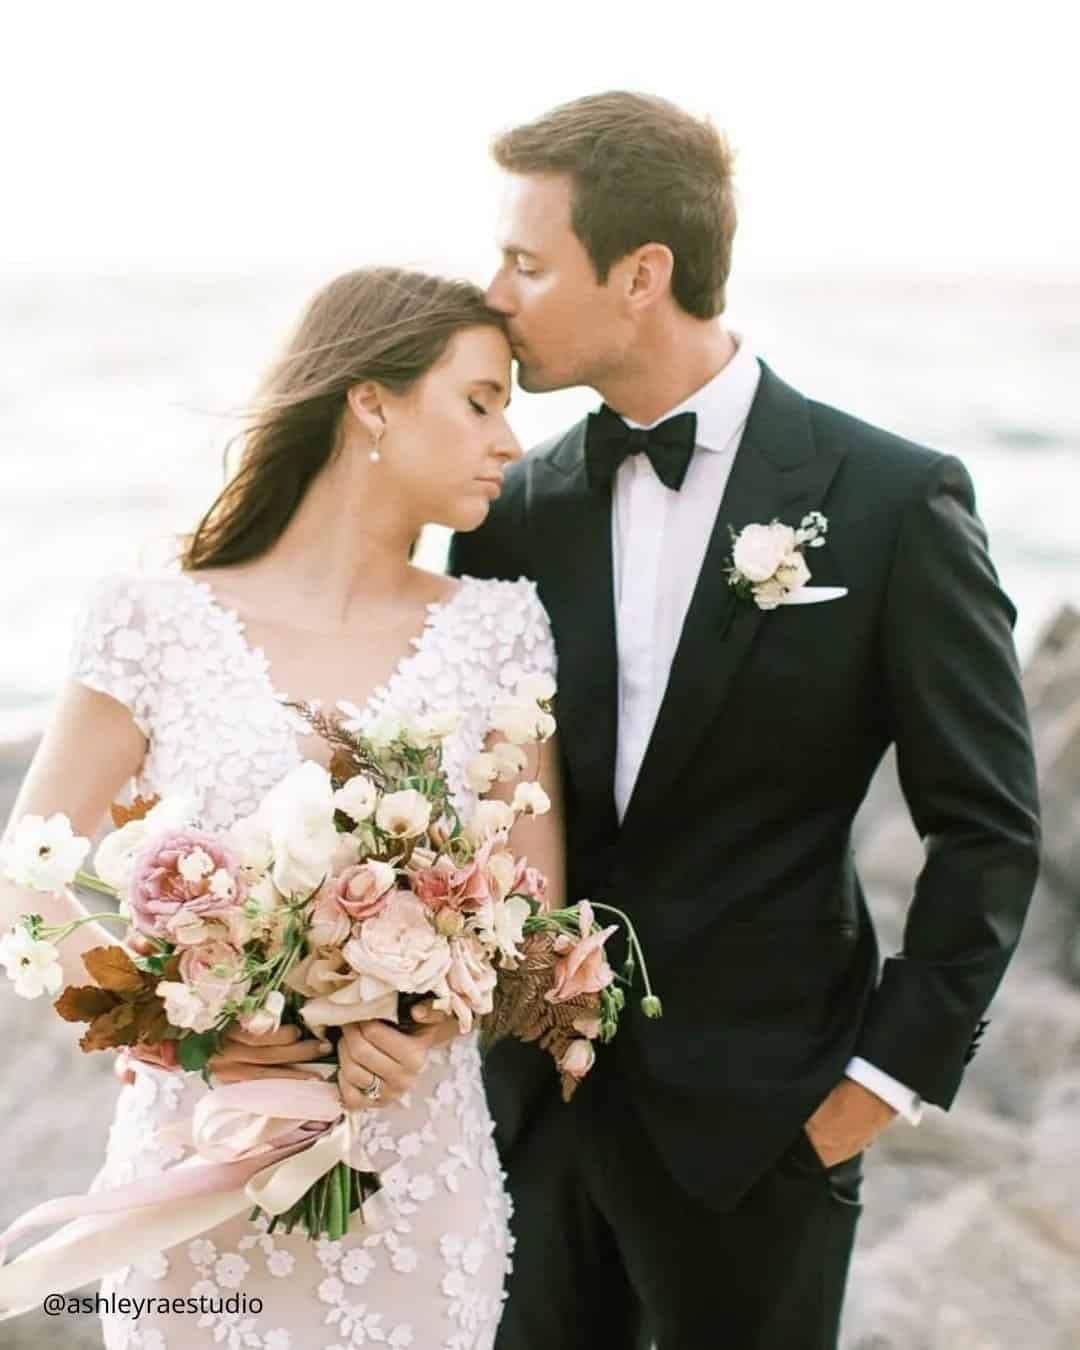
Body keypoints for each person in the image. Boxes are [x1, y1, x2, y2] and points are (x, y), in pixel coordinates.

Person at [449, 91, 1042, 1350]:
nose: (493, 293)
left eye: (526, 260)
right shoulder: (509, 512)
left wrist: (872, 1092)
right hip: (530, 1127)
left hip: (768, 1126)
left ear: (641, 274)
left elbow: (987, 828)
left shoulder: (888, 501)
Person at [0, 267, 564, 1349]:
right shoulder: (152, 619)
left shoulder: (503, 630)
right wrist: (200, 1035)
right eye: (481, 401)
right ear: (372, 402)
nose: (508, 443)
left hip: (417, 1182)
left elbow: (533, 914)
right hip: (193, 1178)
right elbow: (33, 887)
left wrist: (425, 1019)